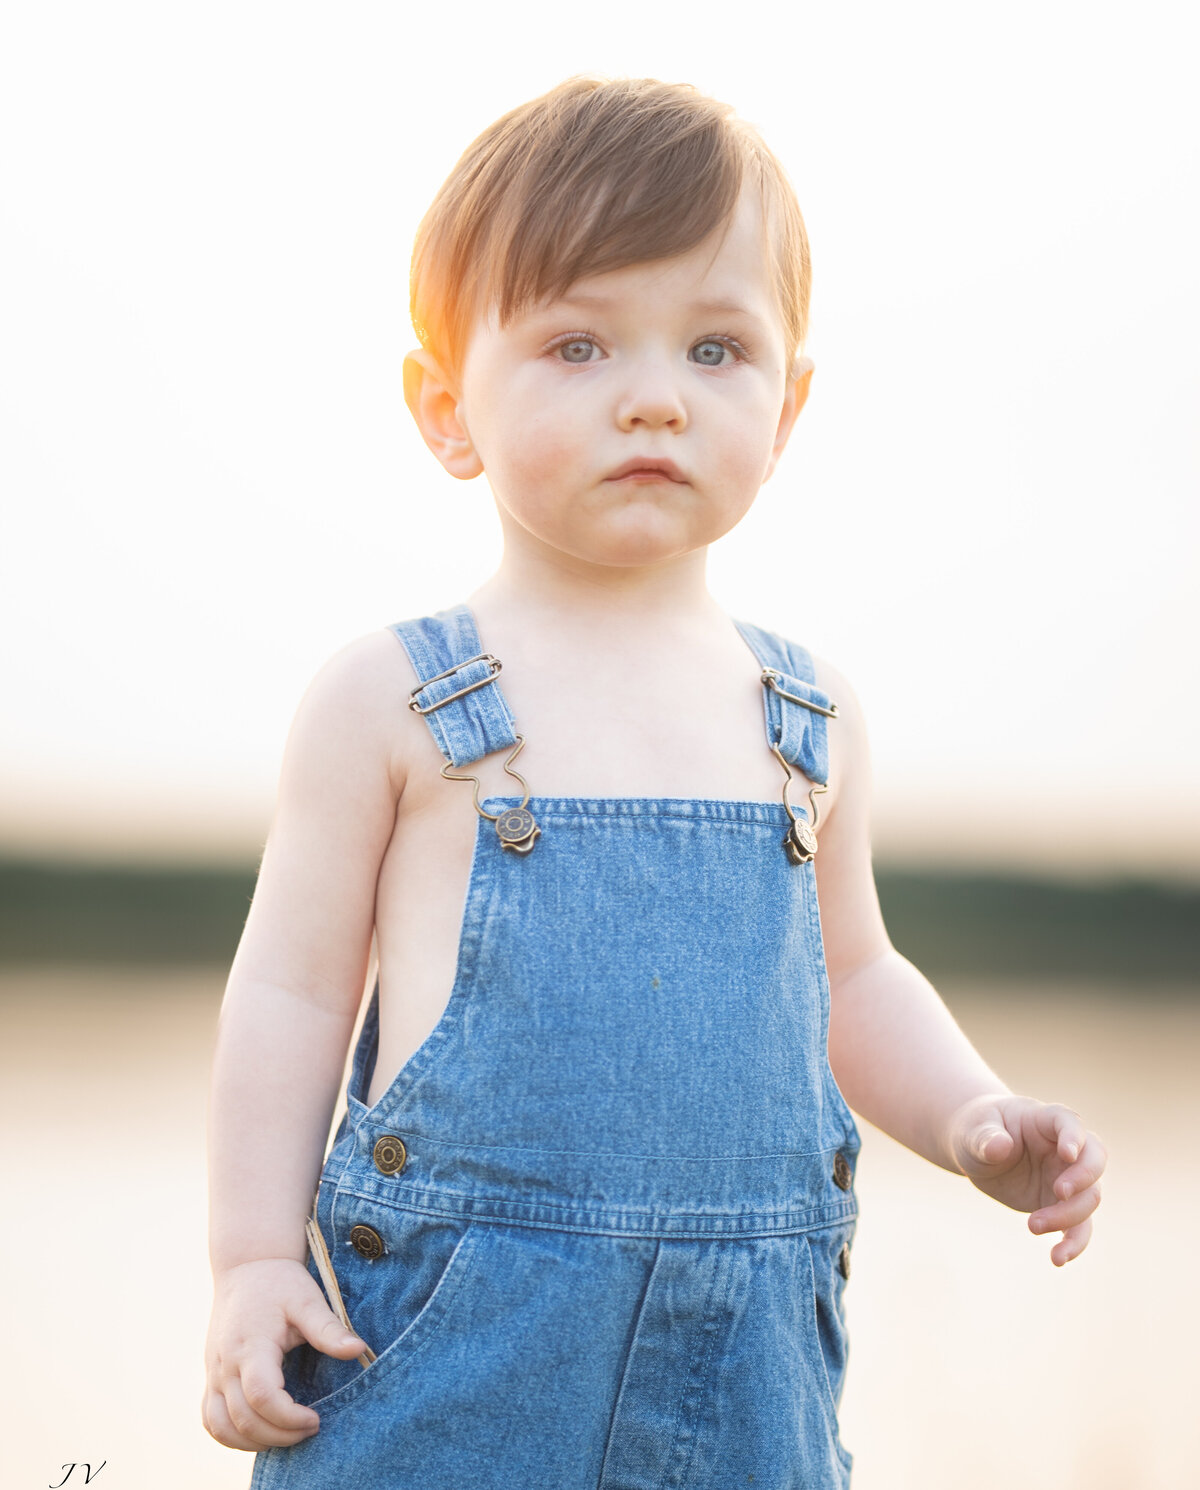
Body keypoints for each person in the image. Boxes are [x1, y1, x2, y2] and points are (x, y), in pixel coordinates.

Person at [203, 76, 1107, 1487]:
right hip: (453, 1354)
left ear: (790, 405)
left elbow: (855, 980)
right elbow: (293, 992)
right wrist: (254, 1254)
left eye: (715, 348)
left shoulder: (805, 714)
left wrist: (970, 1114)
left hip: (744, 1369)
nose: (653, 398)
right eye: (576, 342)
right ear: (447, 406)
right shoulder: (392, 696)